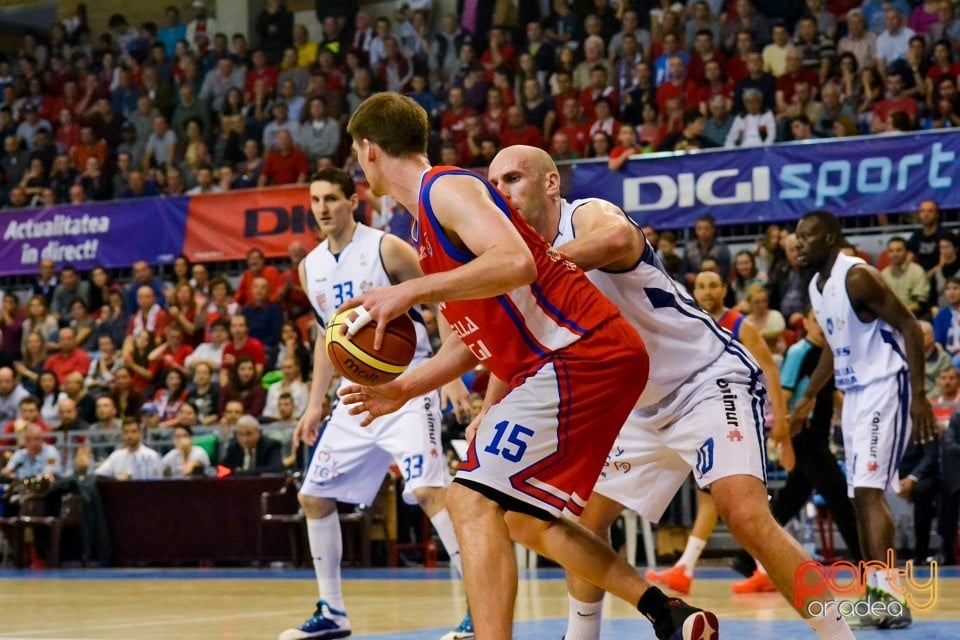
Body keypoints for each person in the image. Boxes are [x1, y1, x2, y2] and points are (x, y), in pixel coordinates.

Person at [336, 94, 714, 640]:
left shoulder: (445, 187)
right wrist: (402, 388)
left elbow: (516, 263)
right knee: (519, 516)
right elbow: (474, 341)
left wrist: (408, 292)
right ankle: (666, 612)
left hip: (580, 352)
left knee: (469, 498)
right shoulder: (425, 228)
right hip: (572, 362)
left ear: (368, 150)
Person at [483, 146, 854, 640]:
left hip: (704, 378)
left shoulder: (585, 215)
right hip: (636, 407)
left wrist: (535, 267)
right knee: (583, 522)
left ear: (551, 184)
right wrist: (486, 410)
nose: (500, 192)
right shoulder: (517, 262)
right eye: (494, 183)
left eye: (512, 178)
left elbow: (617, 236)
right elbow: (511, 341)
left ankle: (839, 636)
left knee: (746, 517)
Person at [279, 167, 471, 640]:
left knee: (429, 493)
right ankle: (332, 612)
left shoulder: (386, 248)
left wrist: (451, 374)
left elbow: (443, 298)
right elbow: (331, 338)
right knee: (313, 497)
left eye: (330, 198)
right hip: (356, 392)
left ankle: (477, 606)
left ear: (352, 200)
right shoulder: (310, 268)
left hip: (410, 383)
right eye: (315, 200)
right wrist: (313, 404)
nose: (322, 208)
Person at [792, 209, 937, 629]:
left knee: (871, 492)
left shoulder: (856, 276)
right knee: (860, 495)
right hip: (854, 393)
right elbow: (833, 349)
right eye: (797, 236)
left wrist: (920, 395)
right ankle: (876, 594)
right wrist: (806, 399)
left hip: (885, 384)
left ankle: (891, 596)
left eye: (808, 236)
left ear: (833, 238)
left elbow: (910, 327)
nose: (799, 242)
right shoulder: (818, 287)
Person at [94, 418, 163, 480]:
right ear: (122, 435)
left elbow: (158, 479)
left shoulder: (151, 455)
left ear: (140, 433)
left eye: (133, 431)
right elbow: (99, 474)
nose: (129, 435)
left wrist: (132, 476)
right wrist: (116, 479)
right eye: (126, 432)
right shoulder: (116, 456)